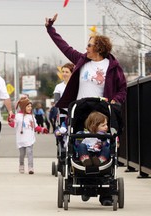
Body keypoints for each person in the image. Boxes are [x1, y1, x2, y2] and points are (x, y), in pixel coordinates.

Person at [45, 13, 127, 206]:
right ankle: (82, 179)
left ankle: (105, 191)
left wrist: (115, 100)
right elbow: (63, 46)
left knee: (103, 144)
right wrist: (50, 28)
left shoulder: (112, 66)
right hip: (81, 110)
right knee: (79, 142)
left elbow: (123, 89)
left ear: (98, 48)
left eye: (89, 45)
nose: (86, 48)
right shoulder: (82, 61)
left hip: (102, 111)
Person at [8, 96, 48, 174]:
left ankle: (30, 167)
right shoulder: (18, 116)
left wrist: (43, 129)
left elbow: (36, 127)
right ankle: (21, 165)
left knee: (30, 152)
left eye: (31, 106)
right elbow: (14, 125)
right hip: (21, 139)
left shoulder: (32, 116)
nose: (30, 108)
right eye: (28, 106)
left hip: (29, 139)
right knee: (22, 154)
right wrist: (10, 120)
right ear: (23, 107)